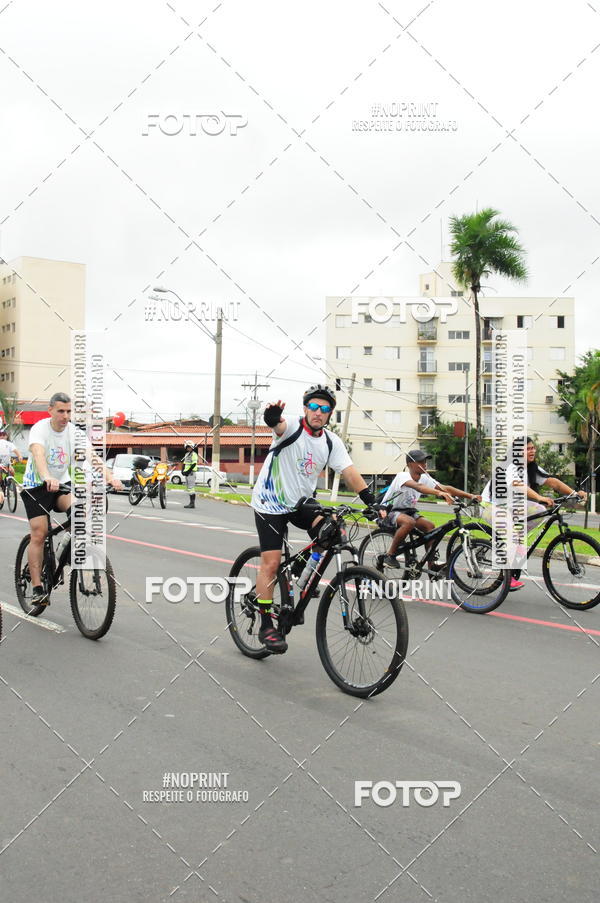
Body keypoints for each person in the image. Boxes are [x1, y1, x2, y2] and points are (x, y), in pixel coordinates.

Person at [250, 384, 377, 654]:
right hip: (270, 503)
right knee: (271, 564)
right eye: (314, 407)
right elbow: (279, 426)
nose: (319, 412)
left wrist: (371, 500)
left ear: (330, 414)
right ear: (306, 408)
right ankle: (265, 626)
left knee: (332, 532)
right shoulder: (293, 427)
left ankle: (300, 574)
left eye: (325, 409)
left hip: (300, 503)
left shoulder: (331, 441)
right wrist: (272, 419)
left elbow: (350, 472)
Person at [21, 392, 123, 607]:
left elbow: (92, 457)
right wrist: (46, 476)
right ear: (50, 411)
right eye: (60, 411)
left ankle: (66, 552)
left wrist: (111, 478)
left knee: (79, 512)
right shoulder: (40, 429)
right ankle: (38, 588)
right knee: (39, 534)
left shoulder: (74, 432)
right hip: (36, 486)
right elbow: (38, 454)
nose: (65, 416)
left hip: (60, 485)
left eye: (68, 411)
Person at [480, 436, 587, 591]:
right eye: (528, 448)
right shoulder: (510, 467)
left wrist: (575, 494)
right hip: (491, 505)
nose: (532, 451)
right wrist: (539, 497)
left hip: (511, 506)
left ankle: (514, 543)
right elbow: (518, 485)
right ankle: (507, 577)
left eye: (533, 448)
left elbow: (553, 482)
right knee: (512, 535)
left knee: (540, 510)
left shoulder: (531, 468)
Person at [378, 450, 481, 568]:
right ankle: (390, 555)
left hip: (408, 511)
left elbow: (445, 488)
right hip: (389, 511)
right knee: (409, 522)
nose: (425, 464)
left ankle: (431, 565)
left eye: (425, 461)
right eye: (421, 462)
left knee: (430, 526)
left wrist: (470, 496)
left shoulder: (425, 478)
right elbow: (419, 487)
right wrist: (439, 493)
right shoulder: (402, 476)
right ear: (410, 464)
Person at [0, 428, 21, 506]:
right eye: (0, 435)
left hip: (6, 465)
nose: (2, 436)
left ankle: (10, 484)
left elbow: (16, 450)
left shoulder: (9, 444)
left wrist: (20, 456)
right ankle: (1, 487)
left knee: (12, 472)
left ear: (6, 436)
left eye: (3, 435)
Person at [181, 441, 199, 508]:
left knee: (191, 488)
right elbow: (184, 463)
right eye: (187, 447)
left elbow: (194, 464)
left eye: (190, 447)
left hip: (191, 473)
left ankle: (192, 504)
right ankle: (191, 503)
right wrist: (182, 471)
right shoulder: (187, 454)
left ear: (192, 447)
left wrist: (188, 471)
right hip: (187, 473)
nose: (189, 448)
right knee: (189, 488)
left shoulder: (194, 454)